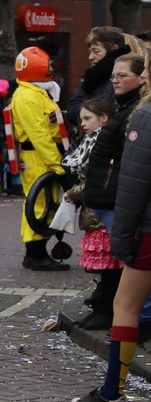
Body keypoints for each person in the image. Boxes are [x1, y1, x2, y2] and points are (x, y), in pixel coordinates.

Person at [69, 82, 151, 402]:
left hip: (149, 230)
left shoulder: (145, 116)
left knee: (125, 306)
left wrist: (122, 237)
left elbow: (133, 185)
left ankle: (112, 393)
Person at [74, 55, 147, 307]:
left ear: (141, 79)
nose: (115, 80)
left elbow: (132, 163)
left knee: (131, 262)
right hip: (108, 197)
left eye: (122, 75)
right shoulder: (123, 107)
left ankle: (136, 315)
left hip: (116, 197)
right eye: (113, 75)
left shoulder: (135, 112)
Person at [64, 98, 119, 330]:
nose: (83, 124)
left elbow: (96, 179)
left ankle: (107, 311)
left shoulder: (102, 143)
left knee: (110, 267)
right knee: (106, 268)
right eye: (81, 119)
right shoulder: (88, 142)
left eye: (88, 118)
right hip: (94, 211)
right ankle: (102, 308)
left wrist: (74, 193)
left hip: (102, 213)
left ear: (104, 118)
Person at [13, 47, 69, 271]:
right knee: (39, 203)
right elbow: (39, 135)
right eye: (49, 65)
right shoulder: (28, 96)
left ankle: (36, 252)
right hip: (39, 156)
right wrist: (58, 164)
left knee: (46, 201)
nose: (52, 69)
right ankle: (36, 254)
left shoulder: (36, 92)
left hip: (43, 155)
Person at [65, 27, 132, 130]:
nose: (91, 57)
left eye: (96, 51)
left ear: (114, 48)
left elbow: (76, 114)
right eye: (90, 52)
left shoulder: (107, 81)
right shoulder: (94, 78)